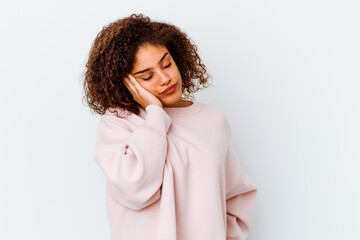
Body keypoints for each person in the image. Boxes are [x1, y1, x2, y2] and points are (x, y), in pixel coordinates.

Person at [82, 13, 258, 240]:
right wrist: (155, 114)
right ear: (126, 84)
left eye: (167, 64)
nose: (165, 78)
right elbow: (135, 188)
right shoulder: (119, 123)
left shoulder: (213, 121)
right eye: (147, 76)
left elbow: (236, 197)